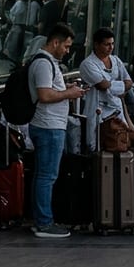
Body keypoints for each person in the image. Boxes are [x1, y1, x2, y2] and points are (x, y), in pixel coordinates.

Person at [28, 23, 85, 238]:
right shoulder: (43, 64)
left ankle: (41, 218)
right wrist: (68, 95)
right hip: (48, 126)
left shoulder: (47, 63)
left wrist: (66, 90)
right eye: (66, 46)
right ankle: (44, 222)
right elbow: (45, 95)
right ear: (55, 42)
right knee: (47, 176)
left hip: (50, 125)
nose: (67, 51)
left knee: (43, 175)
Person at [79, 28, 134, 152]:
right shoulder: (88, 64)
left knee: (122, 143)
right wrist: (119, 86)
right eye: (107, 44)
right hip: (99, 112)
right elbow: (102, 85)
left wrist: (112, 85)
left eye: (112, 44)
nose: (110, 47)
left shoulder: (116, 60)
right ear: (96, 44)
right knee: (98, 146)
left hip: (118, 110)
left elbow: (128, 82)